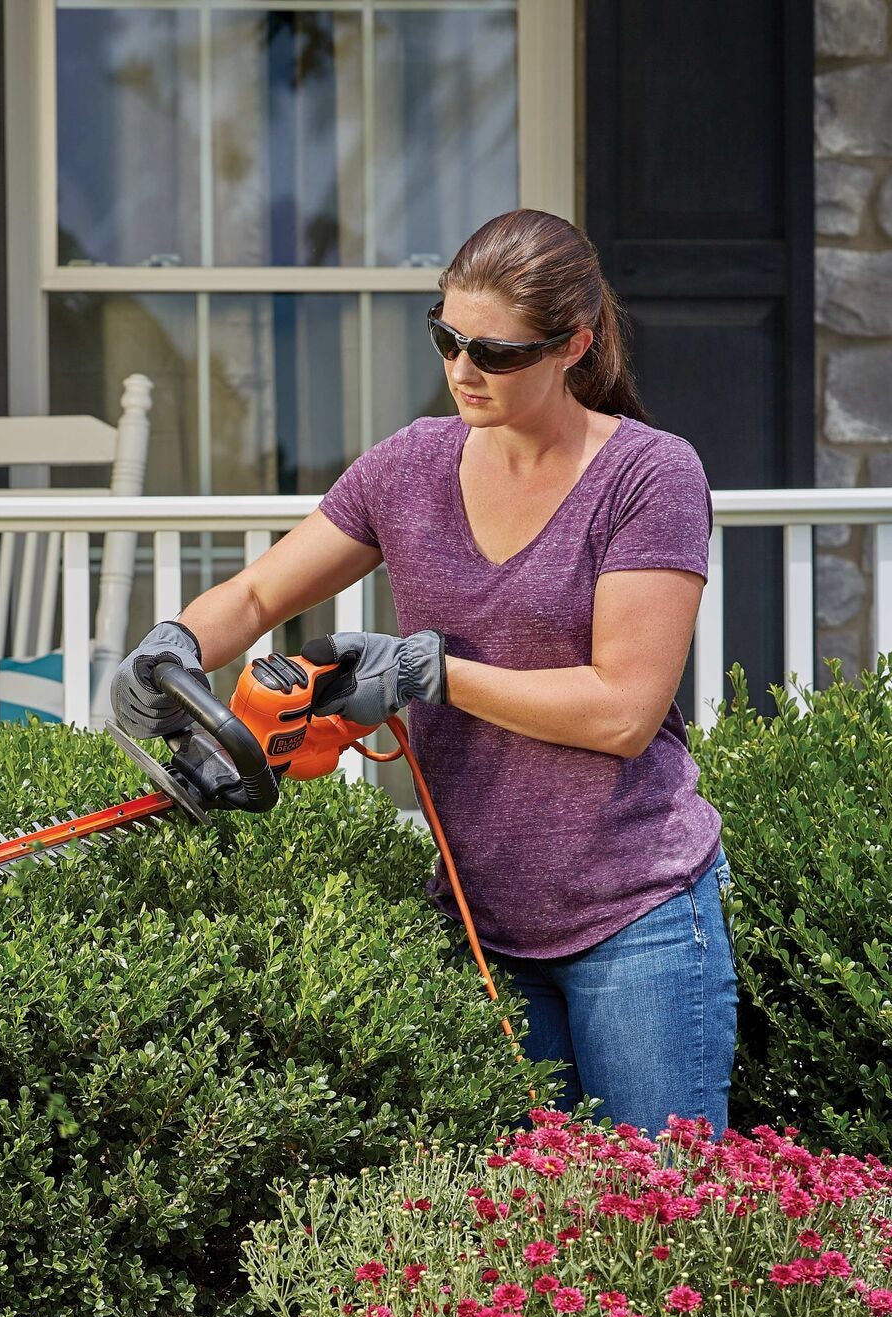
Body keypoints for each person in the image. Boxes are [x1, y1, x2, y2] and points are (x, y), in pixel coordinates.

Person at [107, 208, 736, 1139]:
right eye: (446, 336)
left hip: (635, 915)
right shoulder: (411, 465)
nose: (463, 370)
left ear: (575, 345)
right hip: (478, 918)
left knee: (656, 1229)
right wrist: (170, 648)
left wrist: (428, 673)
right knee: (509, 1250)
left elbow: (622, 713)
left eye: (496, 351)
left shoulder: (648, 477)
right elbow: (252, 597)